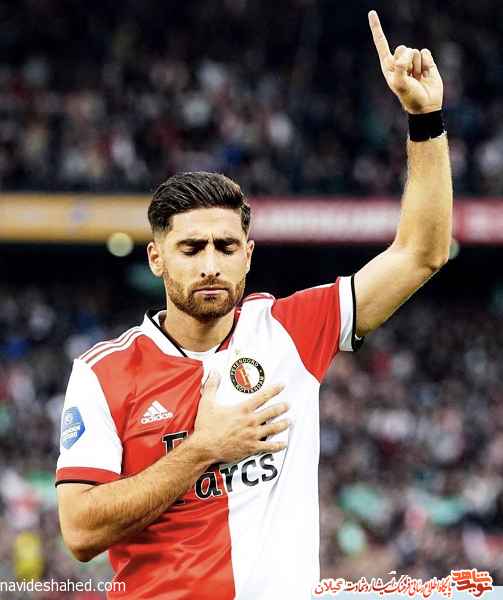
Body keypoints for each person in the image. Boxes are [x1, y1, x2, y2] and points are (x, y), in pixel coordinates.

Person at [56, 11, 452, 600]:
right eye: (191, 248)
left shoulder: (291, 330)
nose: (210, 263)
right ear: (157, 259)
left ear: (248, 255)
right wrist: (205, 449)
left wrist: (425, 119)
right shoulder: (103, 373)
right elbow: (80, 532)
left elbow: (421, 253)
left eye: (225, 247)